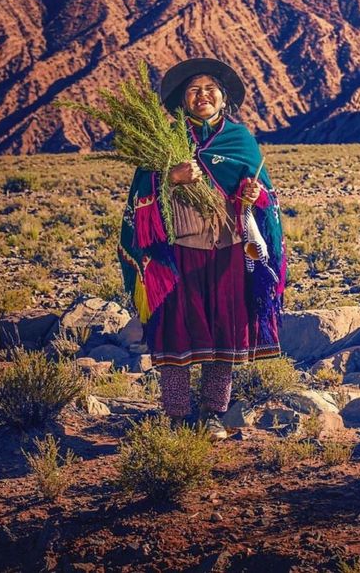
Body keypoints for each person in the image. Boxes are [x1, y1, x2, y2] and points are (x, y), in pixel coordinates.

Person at [118, 58, 287, 439]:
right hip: (179, 250)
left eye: (211, 89)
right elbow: (140, 197)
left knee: (223, 330)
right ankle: (177, 415)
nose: (203, 96)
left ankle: (213, 413)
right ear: (182, 100)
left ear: (224, 98)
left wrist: (255, 195)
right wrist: (170, 176)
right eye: (194, 90)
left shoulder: (239, 139)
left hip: (228, 249)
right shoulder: (162, 142)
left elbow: (265, 197)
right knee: (175, 329)